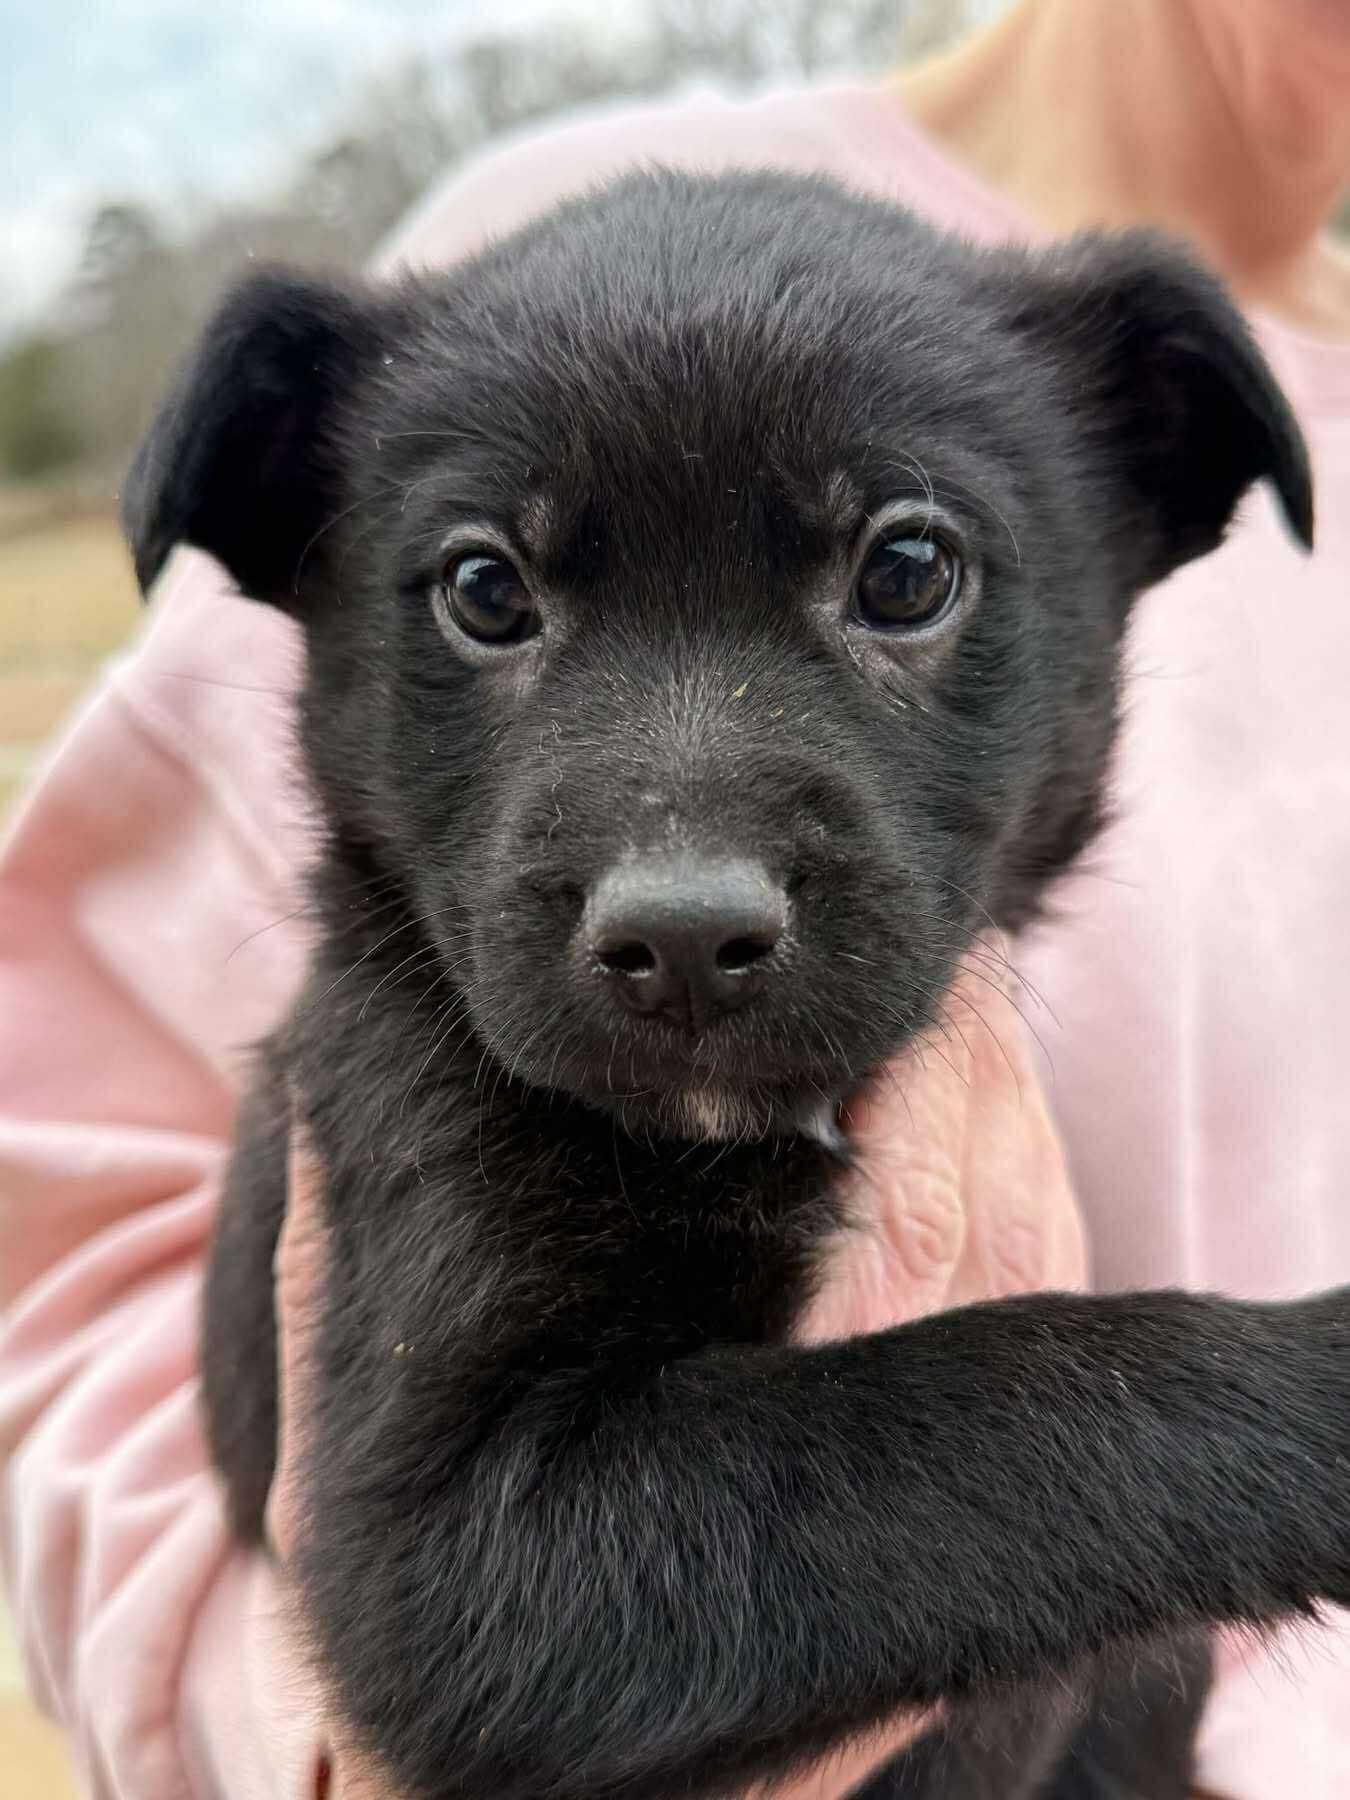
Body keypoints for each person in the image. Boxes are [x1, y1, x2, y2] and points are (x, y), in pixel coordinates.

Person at [1, 1, 1347, 1794]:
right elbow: (475, 1607)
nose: (680, 873)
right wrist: (1275, 1429)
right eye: (490, 595)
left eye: (903, 574)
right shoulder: (446, 1075)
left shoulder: (1100, 384)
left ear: (1144, 513)